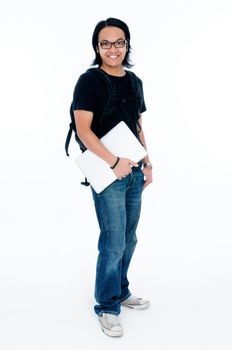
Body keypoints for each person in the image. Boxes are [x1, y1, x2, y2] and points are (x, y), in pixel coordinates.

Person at [72, 17, 153, 337]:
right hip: (108, 174)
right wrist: (114, 161)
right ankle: (106, 306)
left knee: (129, 238)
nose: (113, 49)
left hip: (133, 172)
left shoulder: (134, 81)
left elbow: (138, 126)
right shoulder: (88, 80)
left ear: (127, 44)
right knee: (113, 241)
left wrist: (148, 163)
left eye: (119, 42)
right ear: (97, 47)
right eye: (105, 43)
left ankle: (120, 290)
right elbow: (83, 130)